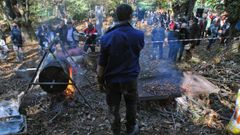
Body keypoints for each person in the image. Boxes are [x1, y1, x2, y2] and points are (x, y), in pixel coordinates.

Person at [97, 4, 144, 135]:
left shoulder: (106, 37)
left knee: (113, 108)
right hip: (130, 79)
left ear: (116, 16)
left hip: (112, 80)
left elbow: (101, 64)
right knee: (131, 104)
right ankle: (131, 129)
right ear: (131, 16)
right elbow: (137, 51)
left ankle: (116, 131)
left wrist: (100, 81)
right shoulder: (139, 35)